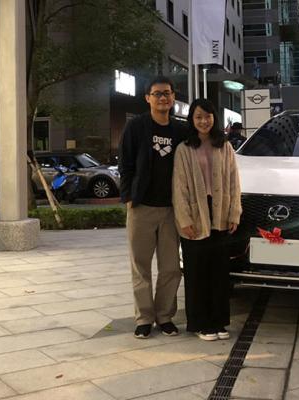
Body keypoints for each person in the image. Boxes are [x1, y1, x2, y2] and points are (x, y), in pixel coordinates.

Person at [118, 76, 188, 339]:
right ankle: (144, 318)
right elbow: (125, 164)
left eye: (167, 93)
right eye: (157, 94)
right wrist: (129, 198)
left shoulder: (181, 130)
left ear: (173, 97)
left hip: (171, 209)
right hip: (142, 206)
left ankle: (165, 316)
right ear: (147, 98)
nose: (163, 98)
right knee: (141, 266)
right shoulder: (136, 127)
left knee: (171, 268)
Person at [172, 98, 242, 341]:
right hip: (195, 214)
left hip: (220, 212)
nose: (204, 121)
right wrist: (184, 219)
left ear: (214, 118)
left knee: (219, 271)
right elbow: (179, 187)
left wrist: (234, 213)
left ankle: (219, 321)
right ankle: (201, 323)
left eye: (208, 116)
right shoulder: (184, 149)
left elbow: (234, 182)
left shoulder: (225, 146)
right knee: (197, 271)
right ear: (192, 119)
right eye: (198, 117)